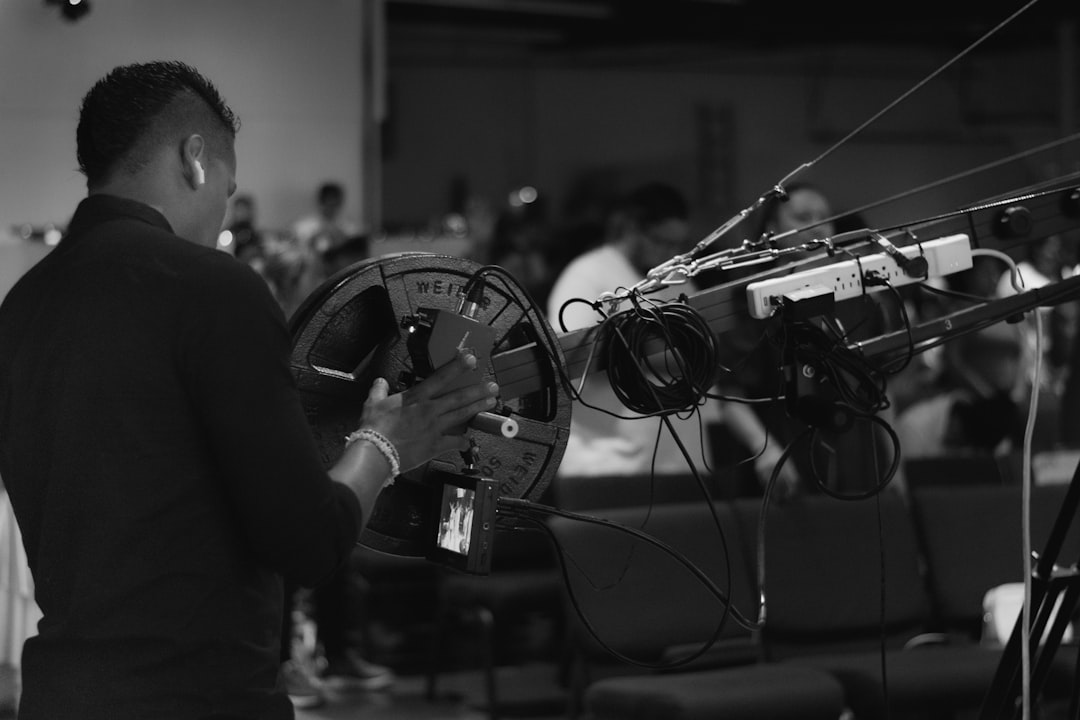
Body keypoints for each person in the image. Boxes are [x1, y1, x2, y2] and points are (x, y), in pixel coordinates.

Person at [0, 60, 499, 720]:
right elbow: (309, 540)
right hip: (196, 696)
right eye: (228, 193)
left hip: (61, 693)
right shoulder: (212, 288)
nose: (221, 217)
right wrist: (384, 442)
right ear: (195, 159)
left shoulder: (22, 306)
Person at [545, 182, 724, 479]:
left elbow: (707, 349)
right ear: (632, 228)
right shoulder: (587, 274)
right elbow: (572, 362)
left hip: (682, 459)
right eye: (661, 241)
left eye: (675, 245)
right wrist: (663, 355)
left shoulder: (677, 279)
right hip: (610, 462)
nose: (669, 253)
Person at [291, 181, 360, 258]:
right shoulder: (304, 226)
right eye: (330, 203)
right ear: (321, 202)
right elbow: (298, 249)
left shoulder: (348, 226)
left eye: (336, 204)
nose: (332, 208)